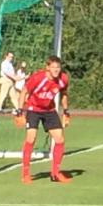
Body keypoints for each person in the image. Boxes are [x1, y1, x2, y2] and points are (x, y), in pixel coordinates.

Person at [16, 55, 71, 184]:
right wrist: (19, 111)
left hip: (49, 110)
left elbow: (63, 94)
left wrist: (66, 111)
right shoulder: (38, 77)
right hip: (33, 109)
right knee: (31, 138)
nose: (56, 70)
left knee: (60, 139)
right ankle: (25, 173)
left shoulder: (63, 79)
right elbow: (24, 92)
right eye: (53, 67)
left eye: (58, 67)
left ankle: (55, 173)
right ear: (47, 68)